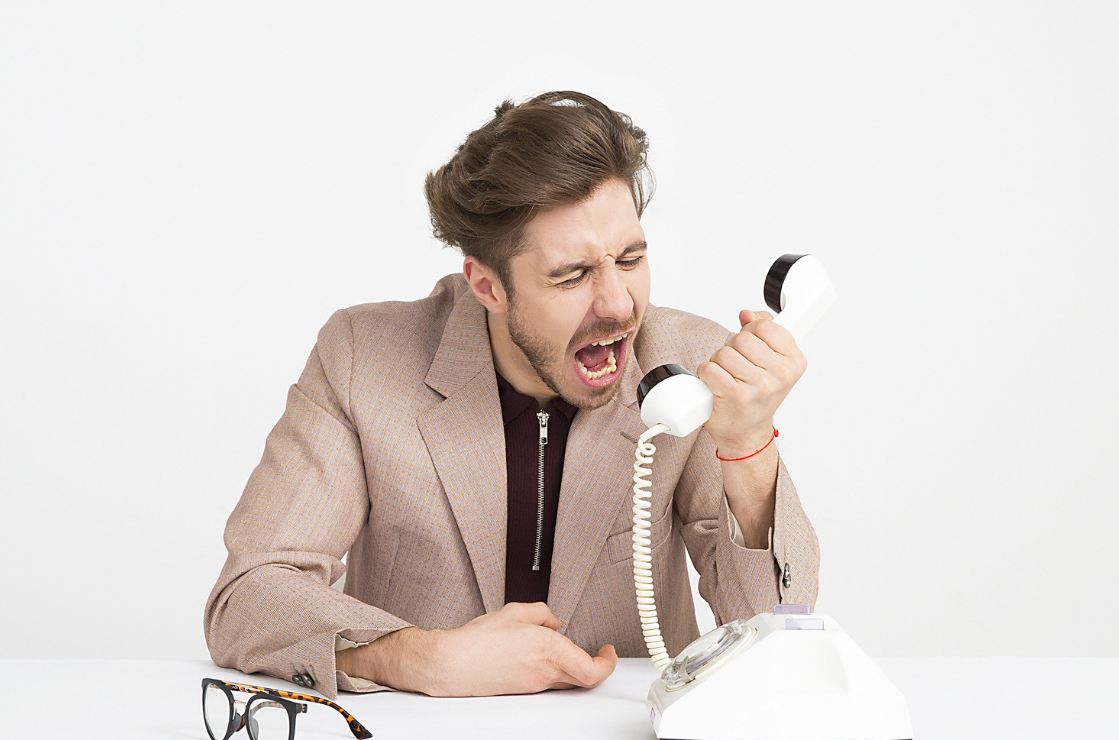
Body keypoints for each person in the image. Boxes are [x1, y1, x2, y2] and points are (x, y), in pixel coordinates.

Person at [204, 91, 820, 700]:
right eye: (572, 275)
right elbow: (249, 595)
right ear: (487, 285)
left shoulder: (686, 363)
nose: (618, 305)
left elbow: (777, 629)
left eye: (630, 259)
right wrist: (418, 658)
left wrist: (747, 449)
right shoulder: (362, 357)